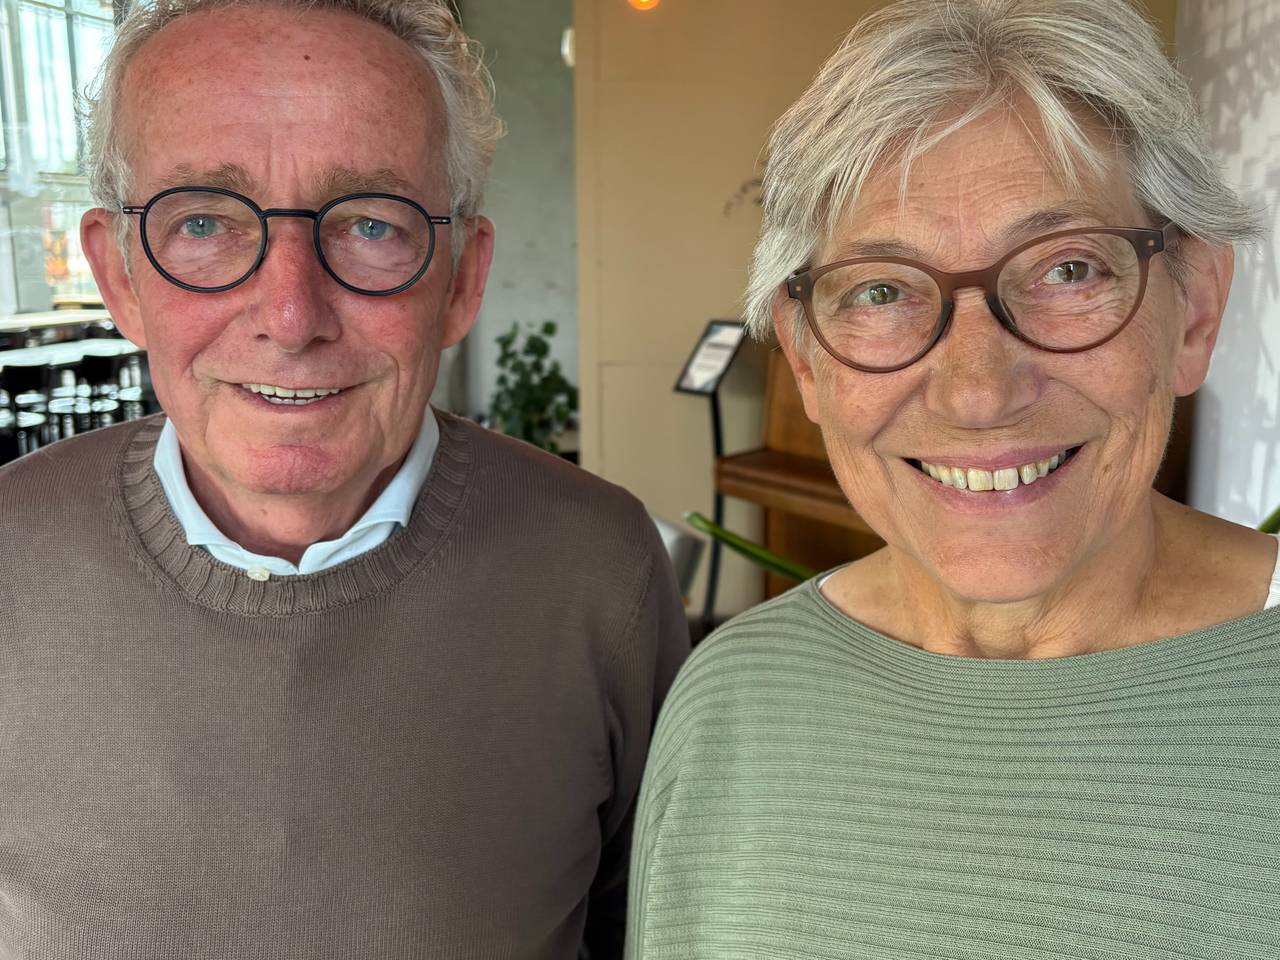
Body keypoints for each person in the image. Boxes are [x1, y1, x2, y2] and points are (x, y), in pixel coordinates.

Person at [0, 1, 688, 956]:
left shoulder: (600, 572)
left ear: (460, 280)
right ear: (120, 279)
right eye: (203, 221)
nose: (291, 316)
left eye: (370, 225)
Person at [627, 1, 1280, 957]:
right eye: (881, 290)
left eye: (1067, 270)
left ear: (1196, 314)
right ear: (806, 360)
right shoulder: (735, 700)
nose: (978, 392)